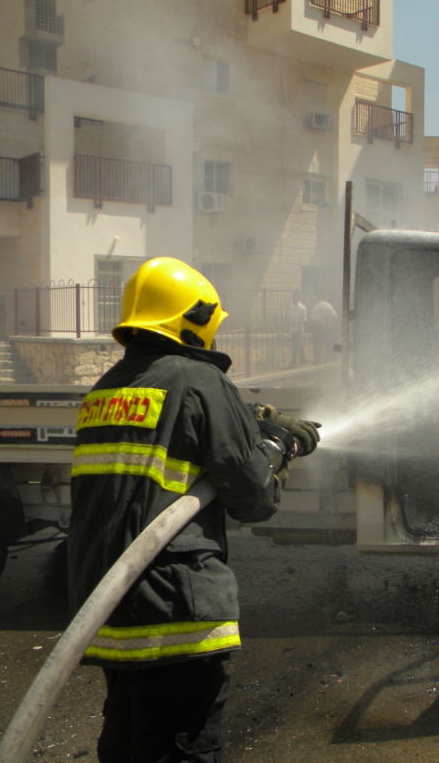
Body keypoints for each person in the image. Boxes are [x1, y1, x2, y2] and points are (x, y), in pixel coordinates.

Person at [67, 257, 320, 763]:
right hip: (174, 608)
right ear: (194, 319)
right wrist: (278, 451)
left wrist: (243, 421)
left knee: (128, 747)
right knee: (183, 750)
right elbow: (254, 498)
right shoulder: (202, 381)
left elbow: (170, 439)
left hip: (110, 607)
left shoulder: (107, 389)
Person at [288, 291, 308, 367]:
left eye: (295, 296)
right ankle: (303, 360)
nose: (293, 298)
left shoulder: (302, 308)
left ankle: (294, 362)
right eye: (293, 296)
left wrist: (302, 328)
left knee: (295, 346)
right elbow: (290, 317)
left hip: (299, 329)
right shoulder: (291, 307)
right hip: (292, 329)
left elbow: (305, 319)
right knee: (298, 345)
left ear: (298, 297)